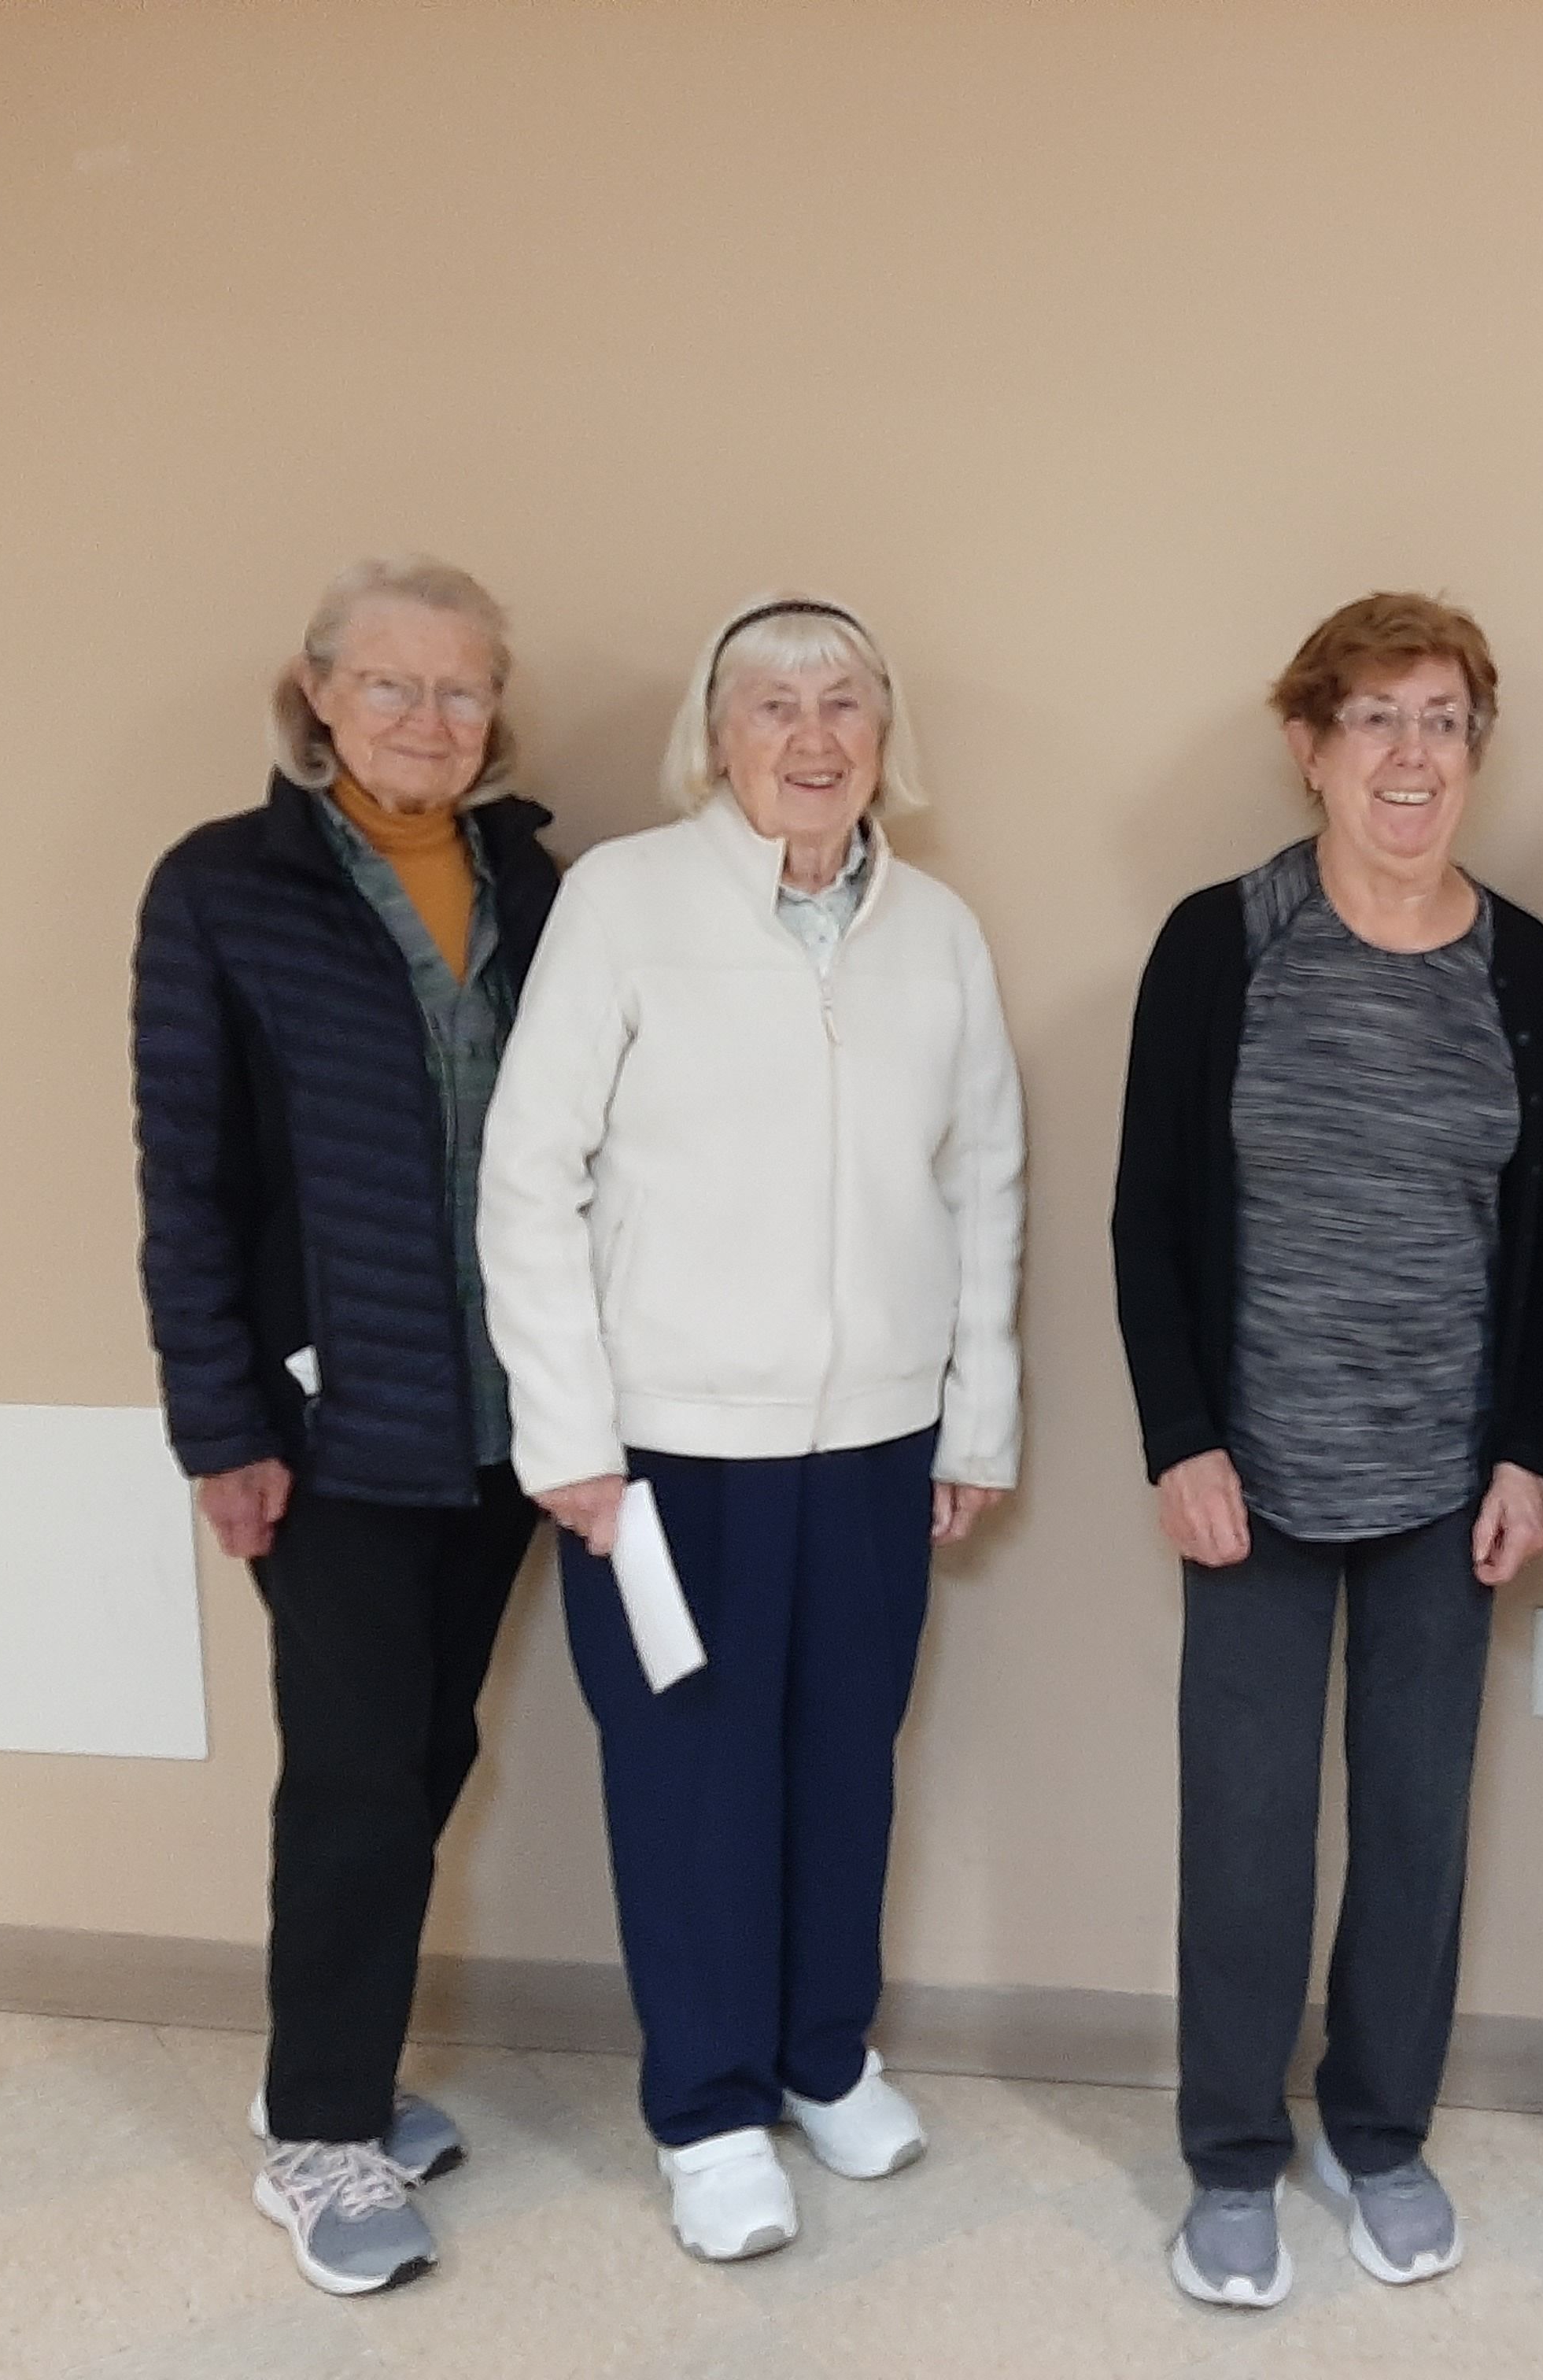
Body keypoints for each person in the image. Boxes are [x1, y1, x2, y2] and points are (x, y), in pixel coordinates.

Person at [476, 593, 1024, 2264]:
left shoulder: (935, 928)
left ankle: (821, 2056)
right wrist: (567, 1429)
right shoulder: (624, 905)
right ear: (716, 738)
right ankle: (710, 2112)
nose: (810, 734)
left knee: (842, 1765)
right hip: (664, 1453)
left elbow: (980, 1179)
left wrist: (970, 1420)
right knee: (691, 1779)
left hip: (871, 1443)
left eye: (843, 701)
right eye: (772, 703)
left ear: (883, 734)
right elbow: (529, 1171)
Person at [1110, 592, 1543, 2312]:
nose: (1411, 752)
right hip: (1255, 1478)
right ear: (1309, 747)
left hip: (1447, 1491)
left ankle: (1377, 2133)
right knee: (1243, 1831)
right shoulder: (1221, 941)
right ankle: (1232, 2156)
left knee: (1415, 1827)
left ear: (1476, 750)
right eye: (1374, 718)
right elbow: (1147, 1218)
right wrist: (1180, 1439)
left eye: (1445, 719)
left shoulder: (1520, 966)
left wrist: (1533, 1453)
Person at [132, 556, 560, 2295]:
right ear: (317, 694)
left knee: (433, 1749)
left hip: (511, 1423)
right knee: (358, 1779)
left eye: (462, 691)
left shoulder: (537, 881)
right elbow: (190, 1180)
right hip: (328, 1429)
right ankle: (315, 2130)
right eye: (392, 686)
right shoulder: (223, 890)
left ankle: (350, 2077)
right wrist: (217, 1426)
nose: (428, 722)